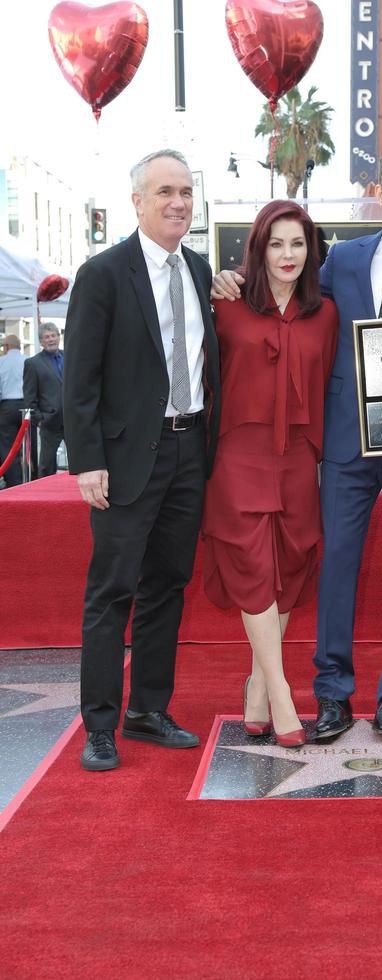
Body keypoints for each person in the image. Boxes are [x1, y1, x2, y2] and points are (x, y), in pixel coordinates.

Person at [213, 141, 382, 739]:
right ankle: (333, 693)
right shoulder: (339, 261)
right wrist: (229, 282)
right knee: (336, 564)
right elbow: (285, 299)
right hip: (343, 444)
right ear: (381, 193)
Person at [63, 149, 220, 772]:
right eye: (164, 192)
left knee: (167, 587)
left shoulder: (202, 271)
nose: (178, 202)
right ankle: (99, 725)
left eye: (185, 191)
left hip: (188, 451)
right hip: (126, 460)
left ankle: (148, 710)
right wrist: (87, 461)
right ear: (137, 201)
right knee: (112, 592)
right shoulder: (103, 273)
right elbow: (81, 378)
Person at [203, 200, 338, 748]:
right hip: (238, 453)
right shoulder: (225, 304)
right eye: (276, 244)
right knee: (254, 563)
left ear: (312, 251)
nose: (288, 255)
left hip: (299, 459)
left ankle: (256, 686)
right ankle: (282, 692)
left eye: (298, 244)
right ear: (257, 249)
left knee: (290, 563)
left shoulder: (325, 313)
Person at [22, 323, 64, 478]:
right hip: (49, 421)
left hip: (73, 420)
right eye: (47, 337)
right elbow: (29, 395)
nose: (51, 339)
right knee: (47, 465)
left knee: (79, 463)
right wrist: (39, 419)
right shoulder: (33, 363)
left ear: (59, 337)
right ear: (41, 342)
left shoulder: (70, 357)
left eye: (54, 335)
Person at [0, 334, 26, 487]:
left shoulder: (1, 362)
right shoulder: (28, 360)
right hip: (26, 406)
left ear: (6, 347)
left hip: (7, 407)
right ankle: (31, 478)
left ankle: (14, 482)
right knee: (28, 444)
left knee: (7, 446)